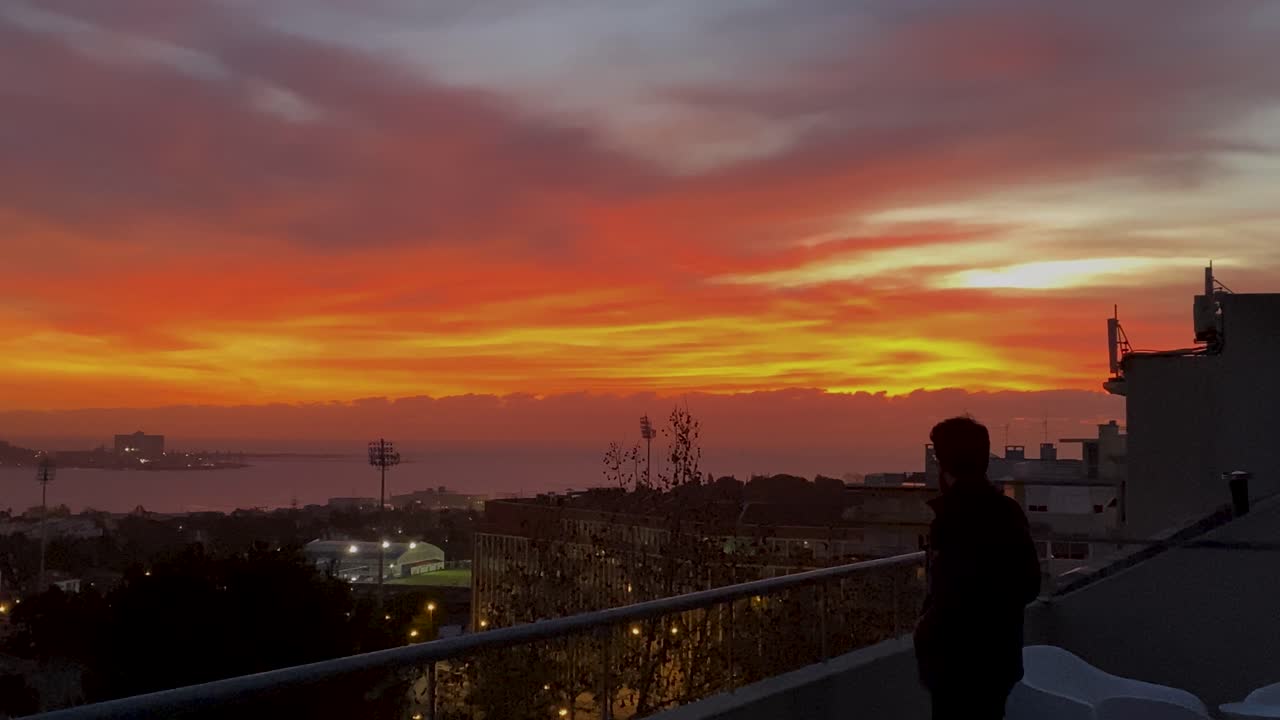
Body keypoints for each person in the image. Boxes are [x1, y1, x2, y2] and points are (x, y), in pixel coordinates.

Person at [914, 416, 1042, 720]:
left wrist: (925, 629)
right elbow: (1029, 585)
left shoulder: (953, 519)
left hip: (956, 666)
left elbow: (949, 594)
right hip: (998, 661)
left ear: (944, 464)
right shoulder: (1006, 511)